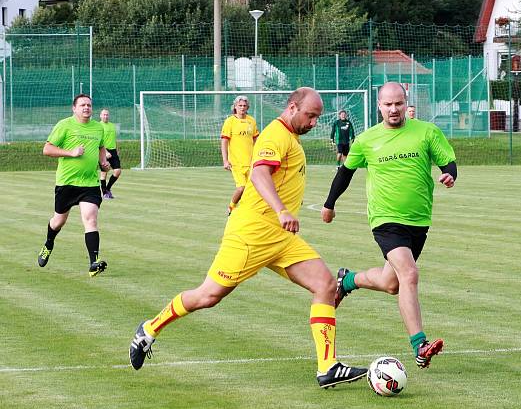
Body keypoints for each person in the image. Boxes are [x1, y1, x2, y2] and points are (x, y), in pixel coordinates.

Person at [130, 87, 367, 389]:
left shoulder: (289, 137)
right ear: (293, 107)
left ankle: (327, 367)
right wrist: (281, 210)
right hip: (251, 234)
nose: (313, 123)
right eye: (310, 116)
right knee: (208, 296)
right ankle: (148, 329)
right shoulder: (275, 135)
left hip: (281, 238)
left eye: (317, 118)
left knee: (325, 285)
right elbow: (259, 175)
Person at [321, 82, 457, 369]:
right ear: (379, 106)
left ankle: (346, 280)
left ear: (405, 103)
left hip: (419, 221)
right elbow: (345, 173)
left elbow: (448, 161)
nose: (393, 109)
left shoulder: (426, 132)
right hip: (385, 220)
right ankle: (420, 345)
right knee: (409, 274)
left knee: (391, 283)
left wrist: (449, 175)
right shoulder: (368, 140)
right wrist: (329, 203)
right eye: (388, 104)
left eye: (398, 104)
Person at [37, 94, 112, 276]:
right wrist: (71, 153)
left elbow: (101, 146)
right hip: (67, 183)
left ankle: (93, 263)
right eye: (82, 105)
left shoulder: (98, 128)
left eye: (89, 105)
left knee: (90, 218)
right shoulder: (64, 125)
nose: (86, 108)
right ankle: (48, 244)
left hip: (89, 183)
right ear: (74, 108)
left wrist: (103, 161)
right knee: (58, 221)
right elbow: (47, 149)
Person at [221, 95, 260, 214]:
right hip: (236, 163)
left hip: (251, 162)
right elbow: (224, 141)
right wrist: (225, 160)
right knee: (242, 187)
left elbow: (256, 140)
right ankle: (231, 207)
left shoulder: (251, 121)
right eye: (240, 106)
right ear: (235, 107)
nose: (242, 108)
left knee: (253, 189)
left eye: (244, 106)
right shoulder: (230, 121)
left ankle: (247, 210)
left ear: (247, 107)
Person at [99, 109, 122, 199]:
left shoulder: (112, 126)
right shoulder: (99, 126)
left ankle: (108, 189)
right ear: (100, 116)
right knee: (104, 172)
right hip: (103, 151)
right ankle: (104, 193)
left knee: (117, 171)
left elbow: (114, 138)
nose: (105, 116)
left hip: (113, 151)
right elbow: (99, 141)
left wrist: (116, 149)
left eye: (107, 115)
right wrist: (105, 152)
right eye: (104, 115)